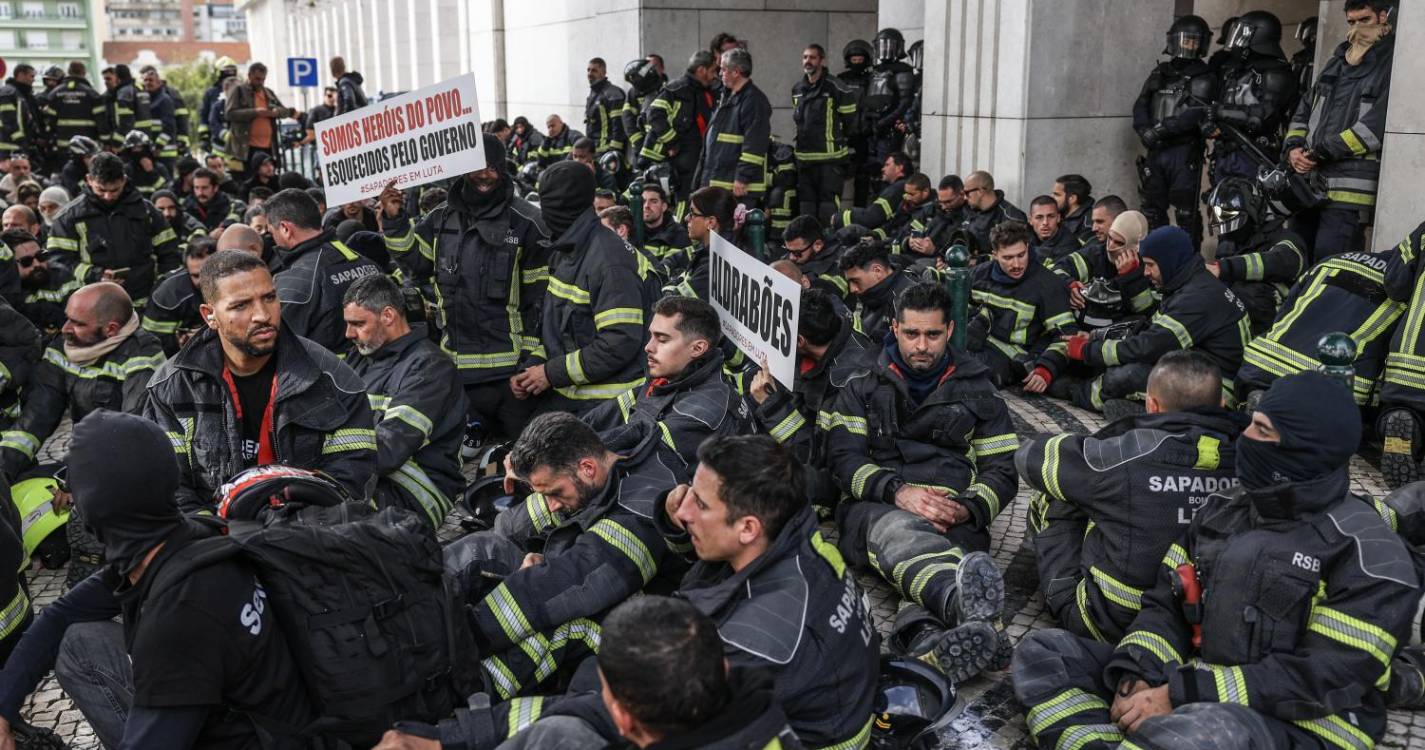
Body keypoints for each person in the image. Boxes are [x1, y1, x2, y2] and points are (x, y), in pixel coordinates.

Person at [1013, 371, 1418, 750]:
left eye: (1261, 429)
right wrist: (1136, 673)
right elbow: (1165, 607)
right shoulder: (1224, 510)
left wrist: (1181, 694)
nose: (1244, 437)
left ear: (1303, 449)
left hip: (1305, 723)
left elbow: (1319, 679)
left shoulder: (1368, 555)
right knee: (1045, 653)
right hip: (1200, 685)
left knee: (1197, 731)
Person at [820, 281, 1015, 682]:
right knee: (904, 532)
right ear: (895, 328)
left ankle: (924, 640)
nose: (921, 345)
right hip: (875, 509)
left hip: (953, 515)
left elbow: (1004, 469)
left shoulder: (979, 386)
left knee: (923, 572)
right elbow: (843, 460)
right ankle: (961, 602)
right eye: (911, 334)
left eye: (932, 334)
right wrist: (899, 492)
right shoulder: (860, 382)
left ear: (949, 331)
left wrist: (968, 507)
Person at [444, 412, 675, 701]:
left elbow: (574, 582)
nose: (551, 506)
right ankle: (416, 605)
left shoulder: (640, 513)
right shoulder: (603, 458)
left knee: (545, 627)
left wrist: (460, 641)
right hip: (576, 573)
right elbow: (511, 530)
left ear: (587, 468)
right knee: (483, 548)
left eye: (554, 492)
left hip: (625, 624)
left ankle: (457, 693)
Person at [1017, 350, 1244, 643]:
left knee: (1058, 496)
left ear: (1151, 404)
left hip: (1110, 623)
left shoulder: (1124, 455)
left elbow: (1030, 457)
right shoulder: (1250, 463)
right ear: (1222, 404)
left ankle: (1058, 591)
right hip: (1203, 628)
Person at [144, 249, 375, 514]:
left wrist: (280, 534)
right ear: (210, 315)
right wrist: (212, 537)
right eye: (241, 305)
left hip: (302, 537)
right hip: (210, 540)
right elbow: (169, 486)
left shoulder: (334, 381)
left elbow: (351, 480)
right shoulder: (169, 388)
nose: (262, 315)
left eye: (269, 298)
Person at [380, 134, 550, 445]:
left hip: (511, 380)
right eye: (476, 166)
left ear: (503, 169)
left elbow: (539, 303)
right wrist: (395, 220)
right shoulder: (439, 219)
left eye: (492, 167)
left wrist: (530, 363)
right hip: (457, 377)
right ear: (462, 169)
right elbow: (415, 263)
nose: (484, 175)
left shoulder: (528, 222)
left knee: (520, 463)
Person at [1062, 226, 1249, 414]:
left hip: (1213, 390)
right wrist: (1096, 339)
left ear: (1169, 262)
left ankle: (1079, 394)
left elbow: (1147, 347)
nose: (1146, 272)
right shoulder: (1191, 282)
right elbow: (1150, 328)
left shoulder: (1197, 299)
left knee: (1125, 376)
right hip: (1198, 371)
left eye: (1150, 265)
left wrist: (1087, 351)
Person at [520, 161, 654, 412]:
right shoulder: (567, 250)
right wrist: (534, 367)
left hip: (607, 406)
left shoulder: (609, 262)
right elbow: (560, 329)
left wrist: (550, 373)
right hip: (569, 395)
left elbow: (618, 343)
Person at [0, 282, 162, 480]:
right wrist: (4, 467)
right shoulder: (65, 346)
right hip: (87, 454)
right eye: (67, 318)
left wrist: (77, 479)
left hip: (130, 465)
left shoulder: (143, 356)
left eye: (78, 323)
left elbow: (132, 433)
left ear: (111, 329)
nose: (65, 328)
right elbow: (37, 414)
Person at [343, 274, 466, 528]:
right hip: (368, 477)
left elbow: (388, 451)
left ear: (388, 316)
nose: (348, 333)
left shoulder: (429, 367)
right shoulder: (360, 357)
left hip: (416, 492)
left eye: (357, 323)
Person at [584, 295, 750, 482]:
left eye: (662, 340)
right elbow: (606, 416)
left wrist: (578, 453)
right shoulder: (671, 377)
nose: (648, 347)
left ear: (697, 348)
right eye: (651, 336)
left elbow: (634, 462)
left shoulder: (703, 410)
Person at [1284, 0, 1395, 259]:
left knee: (1330, 266)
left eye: (1364, 20)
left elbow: (1375, 128)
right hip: (1309, 185)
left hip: (1349, 194)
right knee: (1295, 259)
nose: (1356, 29)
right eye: (1351, 22)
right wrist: (1294, 147)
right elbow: (1304, 109)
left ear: (1383, 17)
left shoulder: (1393, 63)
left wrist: (1322, 151)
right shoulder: (1337, 61)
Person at [748, 287, 874, 505]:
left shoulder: (847, 381)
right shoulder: (833, 342)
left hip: (835, 478)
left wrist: (771, 405)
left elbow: (817, 456)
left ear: (799, 341)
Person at [1239, 248, 1402, 409]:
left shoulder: (1336, 258)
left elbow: (1286, 309)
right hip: (1332, 384)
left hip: (1264, 363)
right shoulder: (1408, 289)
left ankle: (1264, 407)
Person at [46, 152, 180, 308]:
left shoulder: (147, 211)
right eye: (101, 190)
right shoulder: (70, 217)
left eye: (115, 190)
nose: (108, 196)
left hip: (144, 302)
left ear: (124, 179)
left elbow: (170, 253)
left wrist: (161, 290)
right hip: (94, 303)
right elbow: (58, 260)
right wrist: (94, 275)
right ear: (89, 180)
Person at [264, 188, 383, 354]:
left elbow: (274, 346)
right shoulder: (363, 261)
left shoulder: (296, 280)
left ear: (285, 228)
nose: (273, 240)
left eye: (271, 233)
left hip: (329, 376)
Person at [1134, 15, 1216, 251]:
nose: (1189, 46)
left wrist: (1159, 130)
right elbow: (1141, 104)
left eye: (1194, 41)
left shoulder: (1204, 75)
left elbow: (1194, 113)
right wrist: (1143, 129)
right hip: (1156, 150)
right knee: (1151, 208)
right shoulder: (1160, 72)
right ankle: (1155, 256)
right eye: (1186, 40)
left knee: (1185, 213)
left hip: (1183, 150)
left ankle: (1188, 259)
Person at [968, 220, 1078, 391]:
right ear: (994, 254)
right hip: (975, 346)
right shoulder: (980, 274)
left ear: (1028, 247)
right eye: (1008, 258)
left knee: (970, 378)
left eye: (1021, 255)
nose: (1017, 264)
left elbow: (1066, 337)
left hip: (1009, 361)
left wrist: (1045, 369)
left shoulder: (1048, 285)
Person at [1203, 177, 1308, 334]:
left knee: (1248, 293)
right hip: (1236, 327)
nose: (1226, 228)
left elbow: (1281, 262)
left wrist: (1225, 267)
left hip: (1282, 323)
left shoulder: (1286, 239)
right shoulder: (1228, 245)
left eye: (1229, 218)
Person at [1208, 10, 1296, 186]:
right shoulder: (1235, 69)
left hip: (1256, 155)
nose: (1238, 42)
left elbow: (1262, 115)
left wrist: (1220, 111)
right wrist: (1209, 123)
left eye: (1245, 33)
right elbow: (1219, 102)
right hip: (1226, 153)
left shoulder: (1275, 73)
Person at [696, 48, 772, 208]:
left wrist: (742, 177)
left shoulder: (753, 101)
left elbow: (755, 144)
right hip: (721, 181)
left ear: (736, 72)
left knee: (734, 231)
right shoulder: (728, 96)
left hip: (736, 187)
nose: (720, 73)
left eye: (723, 69)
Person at [639, 51, 718, 204]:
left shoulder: (705, 91)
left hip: (693, 156)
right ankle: (681, 227)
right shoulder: (677, 88)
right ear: (701, 70)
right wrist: (672, 142)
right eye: (712, 71)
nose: (715, 76)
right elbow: (654, 114)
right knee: (681, 200)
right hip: (673, 157)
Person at [792, 43, 856, 225]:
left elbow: (850, 120)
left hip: (830, 159)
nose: (808, 61)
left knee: (828, 209)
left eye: (812, 57)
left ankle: (828, 244)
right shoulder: (798, 89)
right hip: (805, 159)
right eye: (805, 57)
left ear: (822, 60)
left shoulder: (837, 87)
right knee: (806, 207)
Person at [142, 237, 214, 355]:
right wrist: (180, 342)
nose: (199, 281)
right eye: (194, 276)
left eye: (205, 274)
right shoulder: (169, 294)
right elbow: (154, 340)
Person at [862, 29, 917, 183]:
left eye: (889, 45)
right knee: (871, 172)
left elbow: (905, 102)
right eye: (882, 45)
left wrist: (885, 121)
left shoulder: (903, 70)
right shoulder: (874, 70)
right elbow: (867, 98)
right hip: (873, 127)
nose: (885, 49)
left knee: (888, 170)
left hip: (890, 129)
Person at [225, 62, 297, 177]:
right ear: (249, 76)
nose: (260, 82)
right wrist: (255, 112)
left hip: (268, 147)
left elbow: (284, 111)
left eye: (263, 79)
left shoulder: (268, 93)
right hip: (247, 148)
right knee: (249, 179)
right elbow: (230, 114)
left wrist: (275, 112)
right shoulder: (238, 91)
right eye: (257, 79)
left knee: (267, 179)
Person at [664, 185, 735, 300]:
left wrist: (668, 288)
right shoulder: (710, 253)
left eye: (692, 213)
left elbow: (673, 303)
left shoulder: (713, 266)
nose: (686, 218)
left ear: (711, 222)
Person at [839, 239, 915, 342]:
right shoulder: (873, 294)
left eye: (855, 281)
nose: (852, 289)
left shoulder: (909, 301)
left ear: (877, 271)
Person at [10, 230, 75, 335]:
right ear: (9, 265)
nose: (37, 264)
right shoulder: (6, 293)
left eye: (41, 256)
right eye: (26, 261)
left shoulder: (62, 277)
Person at [832, 150, 910, 235]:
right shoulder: (902, 187)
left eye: (887, 165)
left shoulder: (897, 189)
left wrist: (838, 218)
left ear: (900, 168)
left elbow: (871, 217)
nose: (883, 169)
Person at [42, 61, 107, 155]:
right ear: (84, 73)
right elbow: (101, 122)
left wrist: (49, 141)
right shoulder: (93, 94)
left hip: (64, 146)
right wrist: (106, 142)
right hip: (88, 146)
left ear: (68, 72)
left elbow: (50, 123)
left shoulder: (55, 94)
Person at [782, 215, 850, 299]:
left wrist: (808, 284)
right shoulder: (796, 253)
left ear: (818, 245)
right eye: (788, 251)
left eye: (797, 253)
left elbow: (835, 291)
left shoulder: (842, 259)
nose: (791, 257)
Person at [959, 170, 1026, 256]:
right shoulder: (969, 213)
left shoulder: (1010, 216)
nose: (965, 198)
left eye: (967, 193)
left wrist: (978, 261)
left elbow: (1015, 256)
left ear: (980, 191)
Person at [636, 183, 692, 276]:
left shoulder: (678, 235)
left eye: (653, 201)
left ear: (664, 207)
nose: (646, 206)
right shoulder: (631, 231)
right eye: (643, 201)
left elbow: (667, 271)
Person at [584, 57, 627, 161]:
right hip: (594, 151)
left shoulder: (612, 94)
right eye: (588, 70)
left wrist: (614, 151)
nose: (590, 73)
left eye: (594, 70)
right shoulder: (593, 94)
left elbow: (619, 124)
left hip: (607, 152)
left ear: (603, 73)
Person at [183, 167, 243, 235]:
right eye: (196, 188)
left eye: (205, 188)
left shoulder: (230, 204)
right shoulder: (186, 207)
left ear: (215, 188)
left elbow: (239, 211)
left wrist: (223, 228)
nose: (200, 192)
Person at [0, 65, 42, 159]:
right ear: (21, 75)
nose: (33, 80)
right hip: (9, 147)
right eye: (31, 76)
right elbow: (8, 120)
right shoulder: (9, 93)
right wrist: (20, 139)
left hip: (19, 146)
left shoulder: (20, 94)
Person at [197, 57, 238, 152]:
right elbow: (204, 116)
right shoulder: (211, 93)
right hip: (217, 141)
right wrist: (204, 137)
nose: (230, 73)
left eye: (232, 70)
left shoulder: (242, 92)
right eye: (227, 71)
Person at [1028, 194, 1080, 264]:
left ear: (1058, 218)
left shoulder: (1068, 246)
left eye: (1051, 216)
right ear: (1030, 220)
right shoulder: (1022, 237)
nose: (1045, 222)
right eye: (1039, 217)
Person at [1052, 174, 1095, 243]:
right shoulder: (1056, 216)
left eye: (1057, 195)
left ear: (1072, 198)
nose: (1052, 198)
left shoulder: (1089, 222)